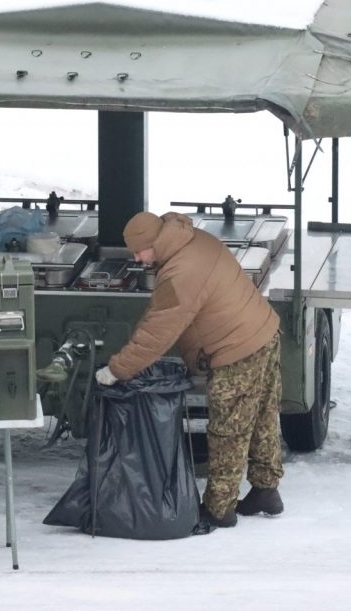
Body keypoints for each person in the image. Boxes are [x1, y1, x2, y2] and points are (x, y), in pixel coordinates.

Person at [94, 211, 283, 532]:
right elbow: (161, 313)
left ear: (154, 242)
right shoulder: (193, 240)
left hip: (236, 348)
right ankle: (266, 488)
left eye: (140, 252)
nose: (138, 260)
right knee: (263, 415)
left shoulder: (181, 272)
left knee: (229, 429)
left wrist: (117, 369)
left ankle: (219, 508)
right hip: (263, 331)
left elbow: (158, 330)